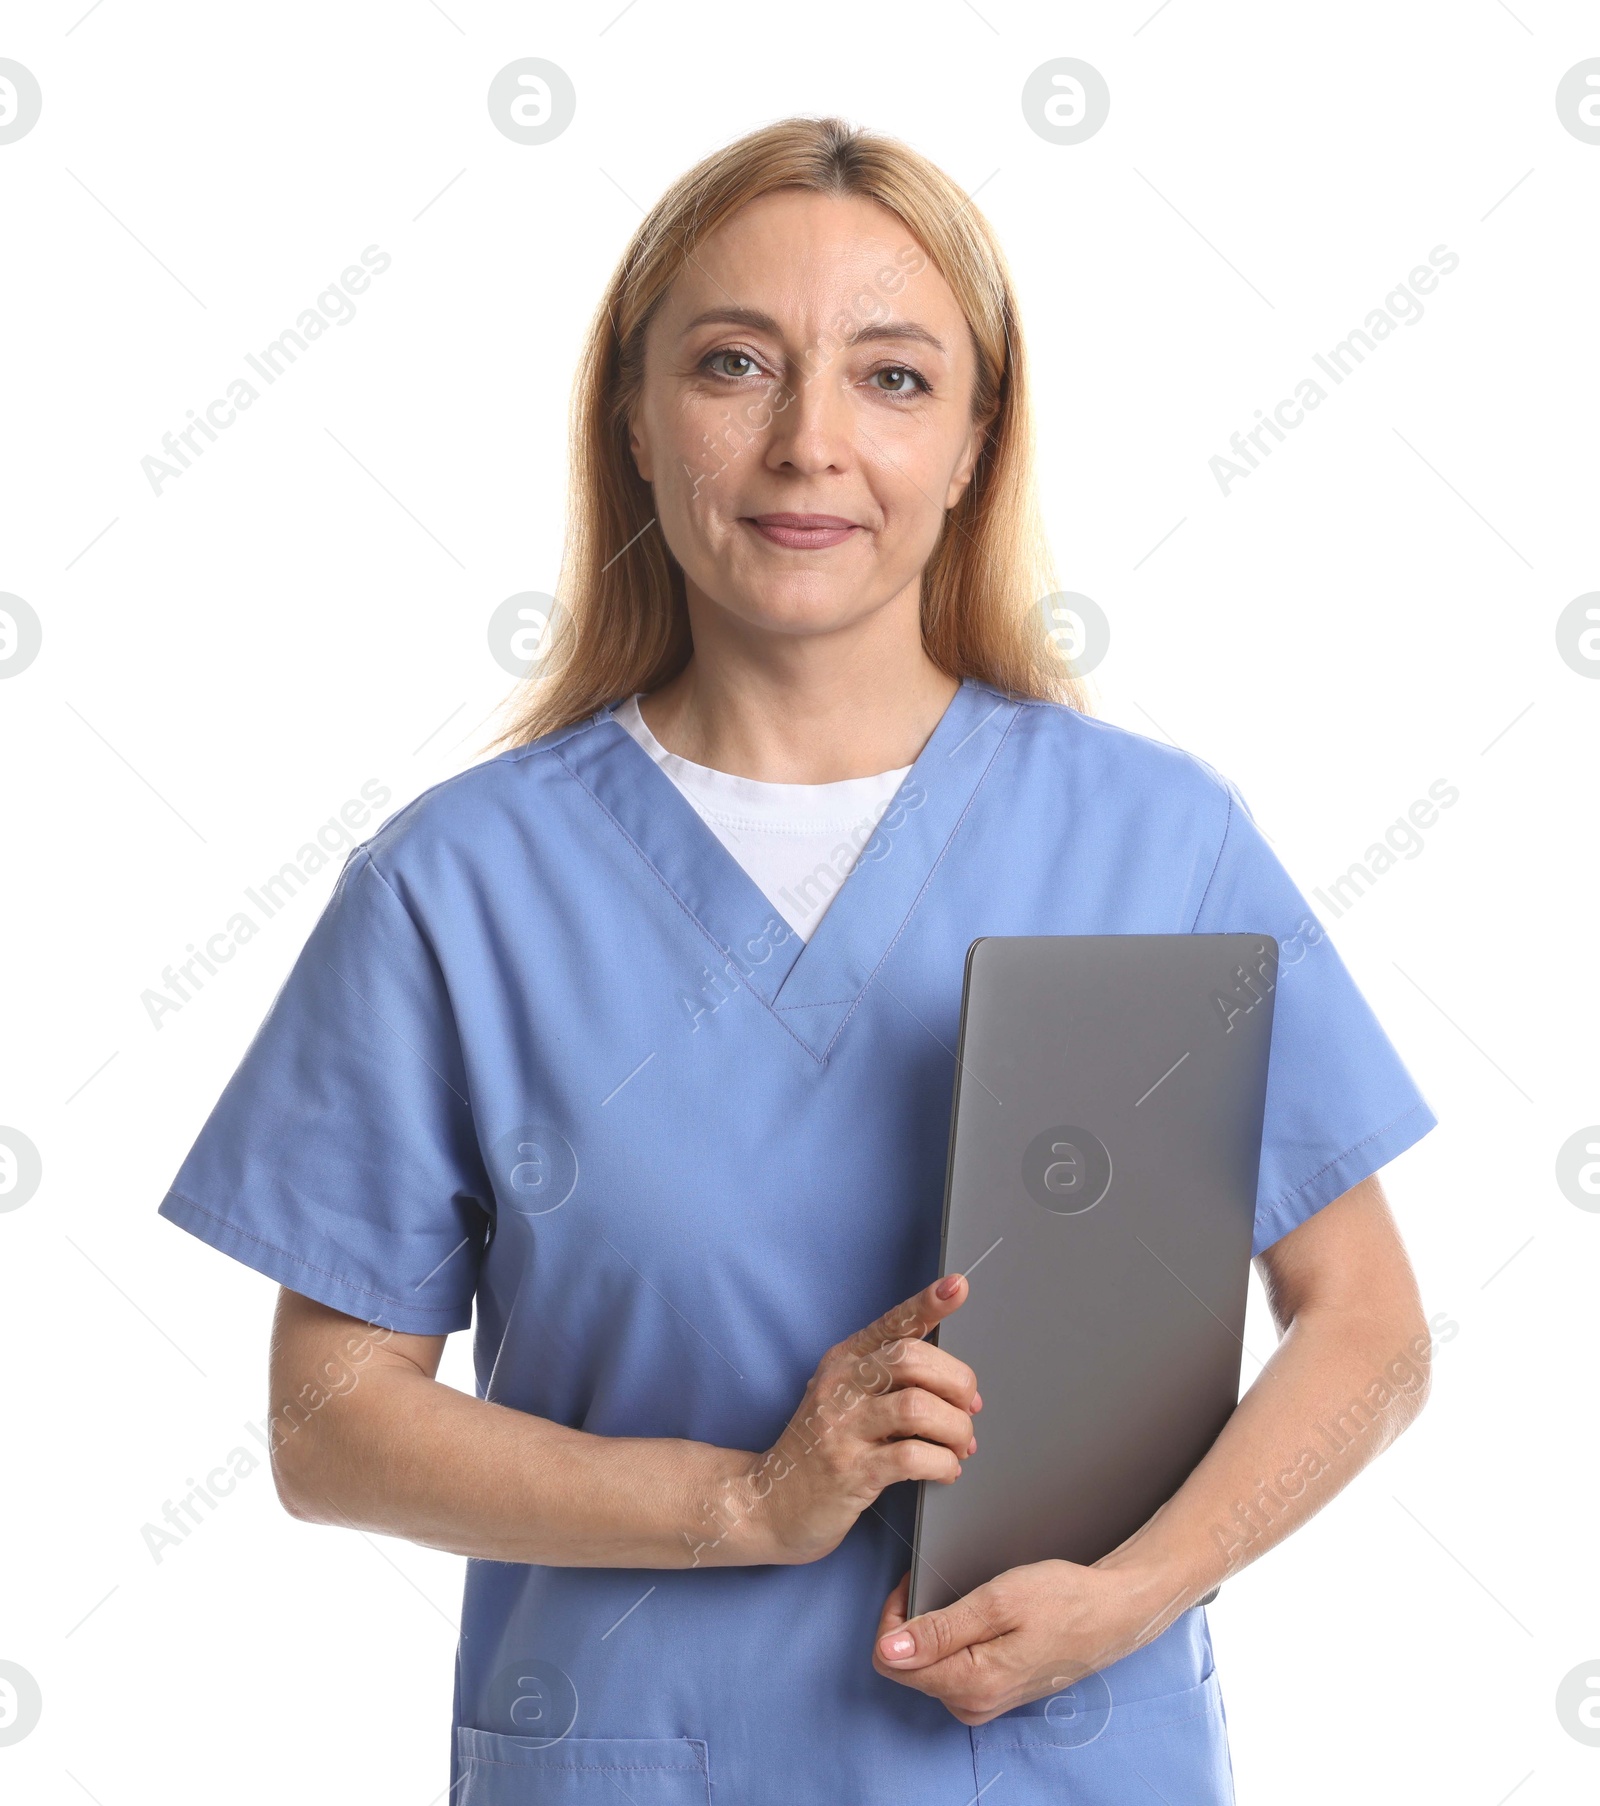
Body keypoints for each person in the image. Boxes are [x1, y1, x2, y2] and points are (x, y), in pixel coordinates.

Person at [158, 116, 1439, 1804]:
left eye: (894, 378)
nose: (808, 442)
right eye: (736, 364)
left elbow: (1368, 1325)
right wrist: (743, 1504)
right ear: (633, 413)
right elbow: (328, 1419)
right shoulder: (454, 887)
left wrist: (1130, 1595)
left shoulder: (1161, 836)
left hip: (1057, 1760)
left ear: (982, 437)